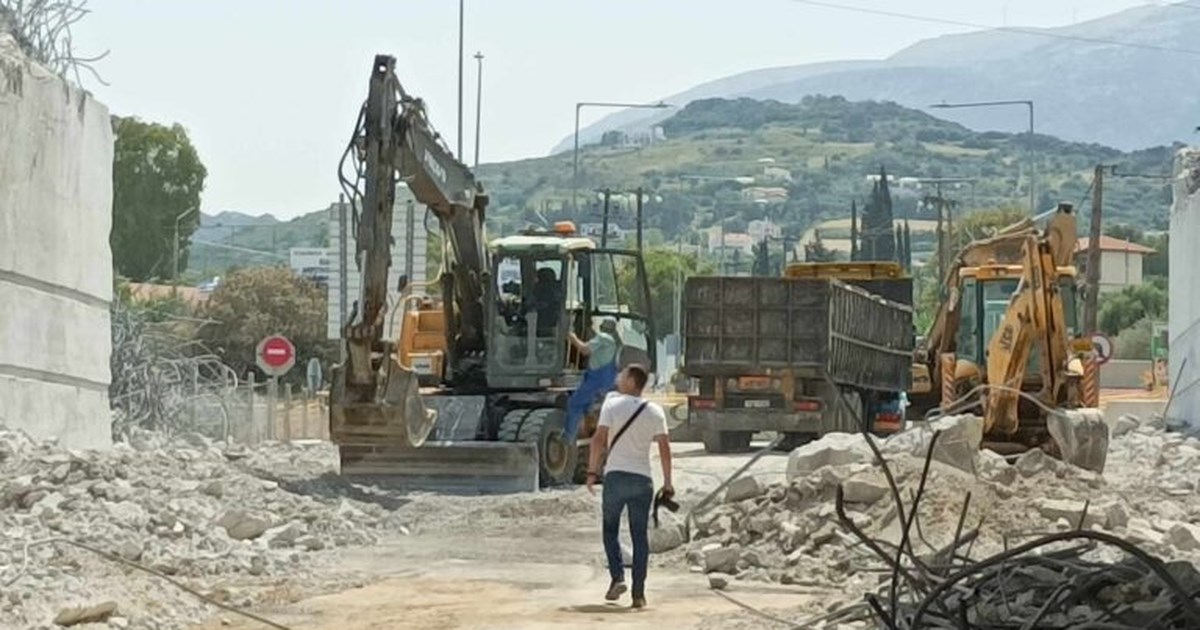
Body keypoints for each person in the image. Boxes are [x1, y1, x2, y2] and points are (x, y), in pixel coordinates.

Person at [586, 364, 672, 610]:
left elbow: (598, 440)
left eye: (622, 376)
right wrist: (667, 483)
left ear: (632, 382)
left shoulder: (612, 405)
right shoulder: (655, 411)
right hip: (642, 480)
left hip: (615, 478)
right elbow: (665, 449)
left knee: (610, 530)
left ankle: (617, 578)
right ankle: (638, 594)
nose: (618, 379)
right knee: (639, 537)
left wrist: (592, 472)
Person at [564, 319, 620, 442]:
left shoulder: (603, 338)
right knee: (587, 407)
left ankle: (567, 438)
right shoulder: (613, 341)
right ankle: (588, 430)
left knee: (574, 404)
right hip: (604, 380)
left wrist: (571, 336)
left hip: (595, 380)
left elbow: (584, 349)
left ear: (602, 326)